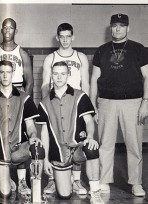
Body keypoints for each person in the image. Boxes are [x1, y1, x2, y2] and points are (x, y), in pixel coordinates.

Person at [90, 13, 148, 197]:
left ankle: (136, 183)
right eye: (114, 25)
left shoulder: (139, 49)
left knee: (134, 145)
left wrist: (145, 102)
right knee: (105, 144)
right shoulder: (101, 50)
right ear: (110, 27)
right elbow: (93, 80)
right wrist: (93, 105)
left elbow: (147, 77)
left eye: (121, 26)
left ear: (128, 28)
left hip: (133, 102)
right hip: (106, 102)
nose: (117, 29)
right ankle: (104, 180)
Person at [37, 61, 103, 203]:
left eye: (63, 73)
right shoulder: (43, 103)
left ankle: (95, 192)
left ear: (68, 75)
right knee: (64, 195)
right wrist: (46, 159)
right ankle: (69, 180)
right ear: (51, 76)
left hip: (78, 147)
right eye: (55, 74)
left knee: (91, 148)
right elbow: (44, 133)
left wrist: (90, 136)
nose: (59, 77)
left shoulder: (80, 96)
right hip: (59, 152)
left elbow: (89, 121)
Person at [41, 23, 90, 195]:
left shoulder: (81, 57)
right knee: (55, 141)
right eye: (62, 36)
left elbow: (86, 83)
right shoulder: (50, 58)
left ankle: (76, 180)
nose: (65, 40)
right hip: (56, 104)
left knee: (76, 141)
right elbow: (45, 85)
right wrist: (49, 107)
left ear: (73, 37)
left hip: (76, 105)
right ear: (57, 37)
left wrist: (88, 108)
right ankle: (53, 180)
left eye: (68, 36)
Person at [0, 60, 43, 197]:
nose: (5, 76)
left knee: (37, 146)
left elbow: (30, 126)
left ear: (13, 74)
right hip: (0, 150)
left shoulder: (25, 98)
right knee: (5, 193)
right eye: (2, 72)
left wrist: (33, 136)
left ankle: (22, 181)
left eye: (8, 72)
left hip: (17, 149)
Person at [0, 18, 33, 94]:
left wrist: (24, 101)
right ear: (2, 31)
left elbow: (30, 82)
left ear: (15, 31)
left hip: (17, 89)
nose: (7, 31)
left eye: (11, 28)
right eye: (5, 28)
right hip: (1, 90)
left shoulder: (23, 53)